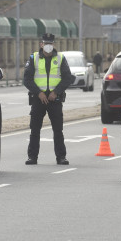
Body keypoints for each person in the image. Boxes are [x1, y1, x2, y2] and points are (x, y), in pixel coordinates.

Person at [23, 33, 73, 165]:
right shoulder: (34, 58)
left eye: (50, 44)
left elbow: (68, 78)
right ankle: (32, 157)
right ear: (41, 44)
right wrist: (39, 93)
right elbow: (27, 79)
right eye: (46, 44)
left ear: (54, 45)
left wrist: (56, 92)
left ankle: (61, 157)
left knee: (58, 130)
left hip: (54, 100)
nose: (48, 46)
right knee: (35, 129)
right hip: (38, 99)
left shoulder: (61, 58)